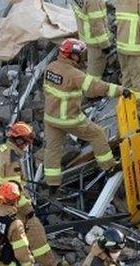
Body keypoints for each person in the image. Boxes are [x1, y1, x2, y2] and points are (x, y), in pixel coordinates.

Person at [0, 122, 78, 266]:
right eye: (26, 141)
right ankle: (48, 264)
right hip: (12, 205)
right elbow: (13, 190)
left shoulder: (1, 150)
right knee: (35, 229)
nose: (28, 145)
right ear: (19, 141)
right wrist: (28, 209)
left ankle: (12, 263)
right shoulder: (13, 160)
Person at [42, 38, 125, 186]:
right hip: (69, 119)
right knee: (97, 134)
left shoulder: (51, 67)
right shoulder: (74, 74)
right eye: (81, 54)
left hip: (51, 118)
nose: (83, 57)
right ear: (73, 55)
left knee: (53, 150)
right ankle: (109, 167)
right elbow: (96, 88)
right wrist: (120, 90)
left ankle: (52, 183)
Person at [70, 0, 110, 78]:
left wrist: (104, 2)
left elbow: (84, 8)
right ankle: (91, 93)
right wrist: (105, 45)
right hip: (94, 40)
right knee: (95, 69)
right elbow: (97, 26)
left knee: (87, 59)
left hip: (83, 34)